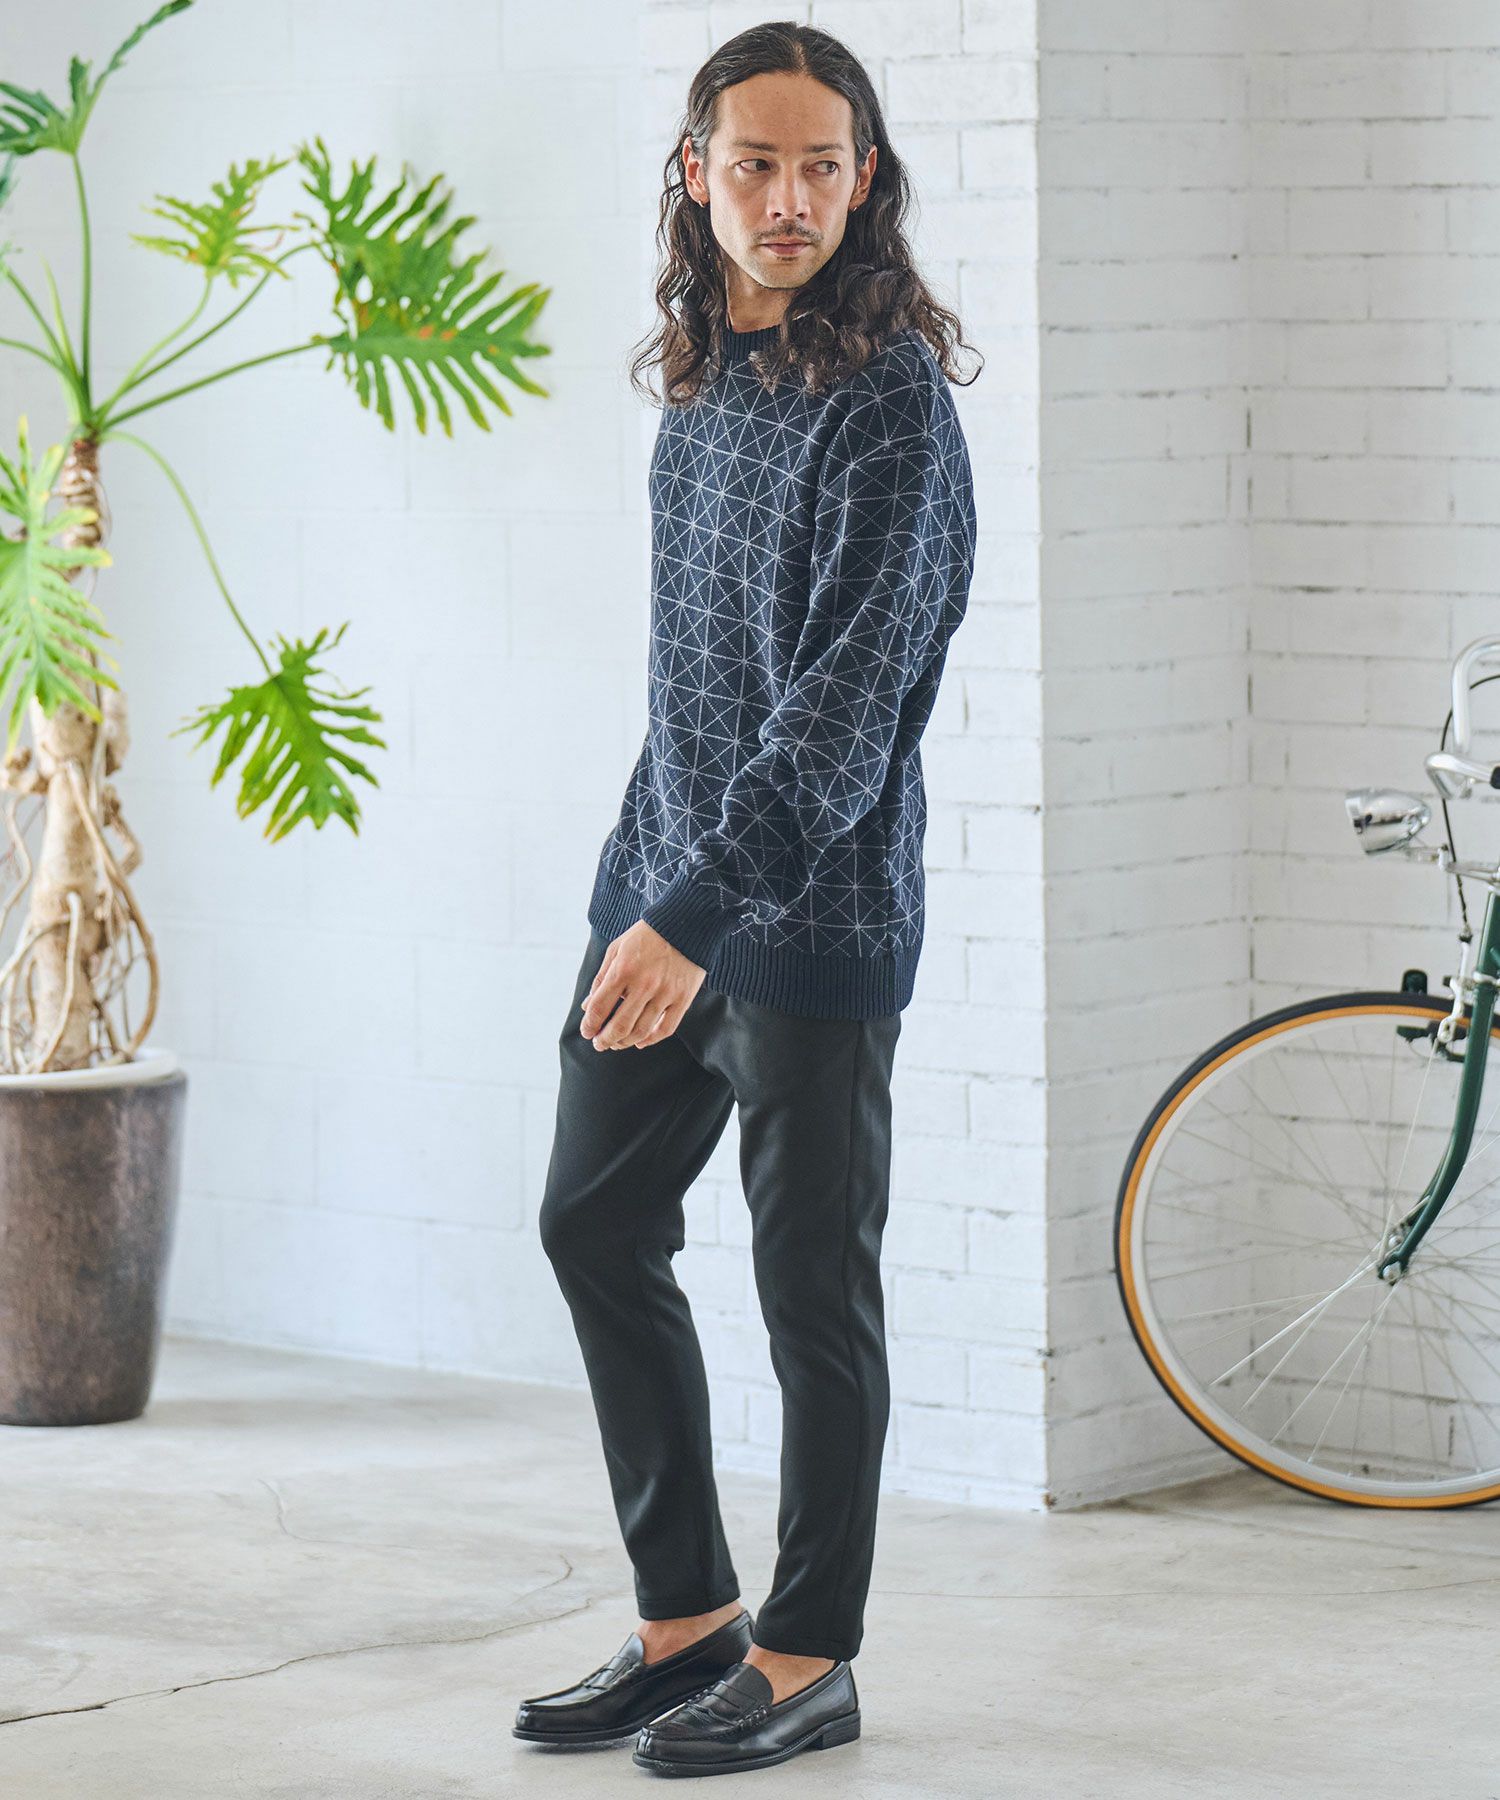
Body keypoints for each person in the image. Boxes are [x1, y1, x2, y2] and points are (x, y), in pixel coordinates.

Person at [513, 17, 979, 1780]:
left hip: (805, 926)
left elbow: (843, 718)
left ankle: (806, 1656)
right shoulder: (707, 377)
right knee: (591, 1224)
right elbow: (690, 679)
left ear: (866, 183)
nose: (788, 198)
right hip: (663, 888)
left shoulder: (893, 410)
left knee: (810, 1306)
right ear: (697, 174)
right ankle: (687, 1619)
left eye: (821, 166)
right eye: (755, 162)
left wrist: (695, 912)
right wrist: (650, 884)